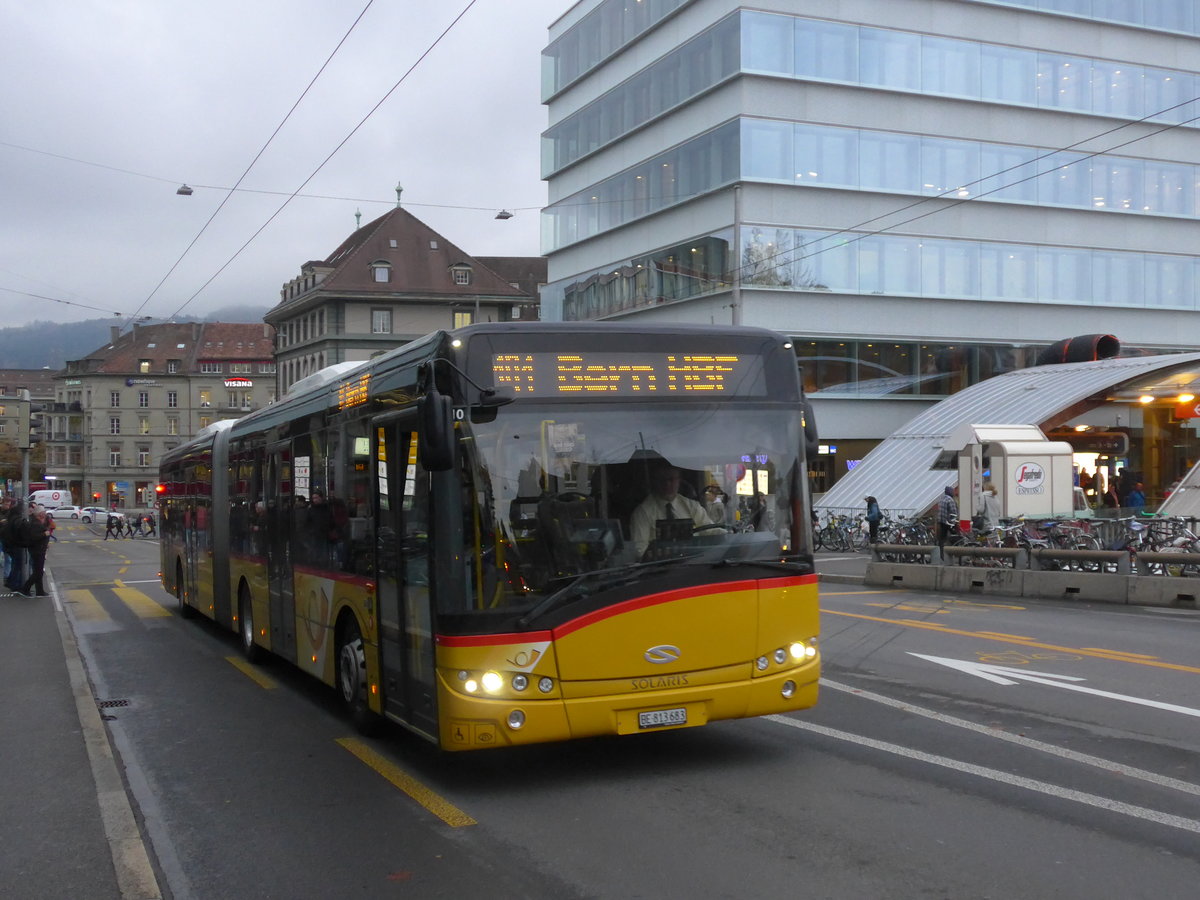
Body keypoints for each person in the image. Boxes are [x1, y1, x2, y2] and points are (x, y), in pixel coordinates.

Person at [630, 464, 714, 557]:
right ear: (655, 482)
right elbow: (639, 550)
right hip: (658, 563)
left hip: (694, 560)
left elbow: (710, 530)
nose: (667, 484)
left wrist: (726, 535)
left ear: (679, 481)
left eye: (671, 479)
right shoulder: (642, 512)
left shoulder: (692, 506)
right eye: (662, 480)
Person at [20, 506, 51, 598]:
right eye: (43, 512)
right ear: (39, 514)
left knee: (38, 571)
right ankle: (25, 589)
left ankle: (39, 591)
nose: (45, 513)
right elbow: (34, 537)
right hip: (37, 550)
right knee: (38, 572)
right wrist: (44, 534)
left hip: (38, 549)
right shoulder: (36, 524)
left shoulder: (36, 522)